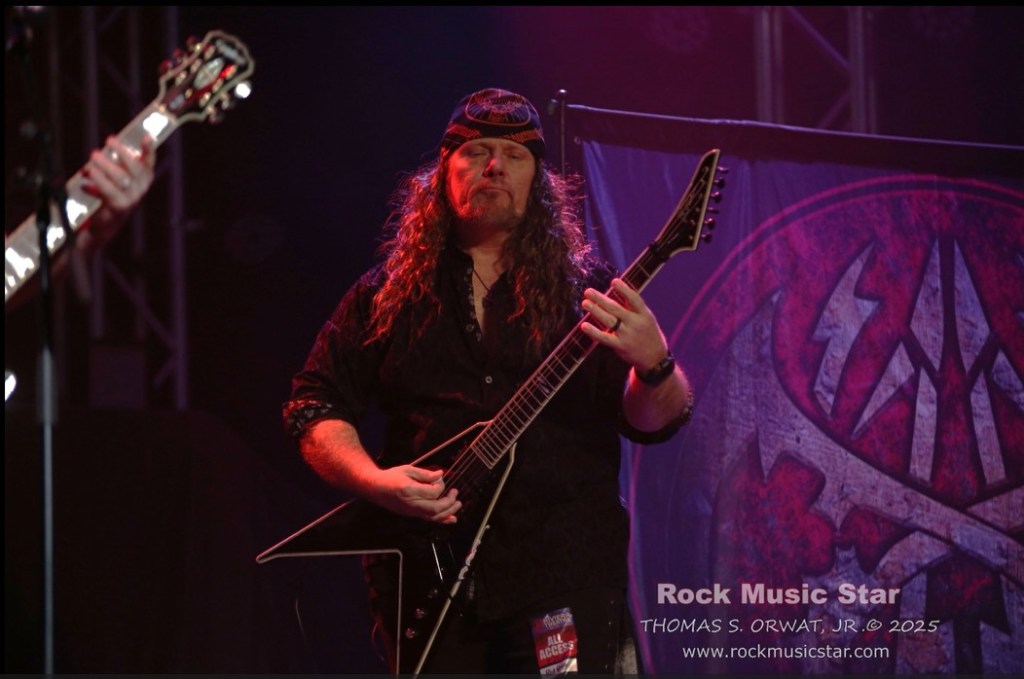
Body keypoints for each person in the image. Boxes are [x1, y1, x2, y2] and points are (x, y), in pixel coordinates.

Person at [282, 87, 693, 674]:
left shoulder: (587, 292)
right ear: (443, 172)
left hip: (561, 575)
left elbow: (655, 422)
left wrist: (655, 365)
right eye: (476, 151)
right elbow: (313, 403)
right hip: (426, 582)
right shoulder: (386, 294)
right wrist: (374, 481)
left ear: (537, 181)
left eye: (514, 155)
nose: (495, 165)